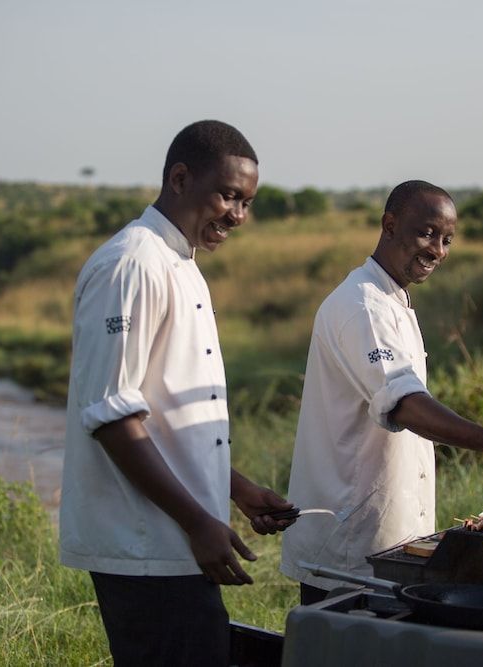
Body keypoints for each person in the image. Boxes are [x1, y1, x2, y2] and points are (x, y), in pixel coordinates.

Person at [59, 120, 293, 666]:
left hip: (176, 540)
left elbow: (160, 415)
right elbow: (112, 416)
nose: (237, 214)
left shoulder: (182, 263)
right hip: (144, 544)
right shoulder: (131, 264)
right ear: (181, 178)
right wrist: (197, 522)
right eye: (228, 195)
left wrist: (235, 488)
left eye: (247, 202)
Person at [279, 180, 483, 603]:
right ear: (389, 225)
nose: (438, 250)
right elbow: (404, 403)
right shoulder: (363, 306)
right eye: (426, 233)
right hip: (348, 549)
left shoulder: (393, 299)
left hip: (384, 541)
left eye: (447, 240)